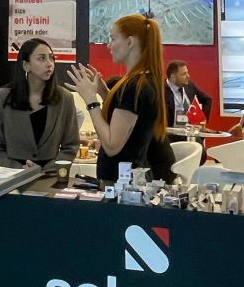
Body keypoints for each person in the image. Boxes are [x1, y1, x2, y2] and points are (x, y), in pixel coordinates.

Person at [68, 13, 172, 185]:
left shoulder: (135, 86)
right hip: (127, 179)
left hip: (121, 183)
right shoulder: (143, 81)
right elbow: (129, 116)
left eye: (113, 39)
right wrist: (105, 93)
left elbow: (111, 146)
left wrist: (90, 100)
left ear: (130, 42)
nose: (109, 45)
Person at [0, 38, 80, 169]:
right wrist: (17, 168)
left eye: (51, 58)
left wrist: (47, 169)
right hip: (12, 174)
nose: (49, 64)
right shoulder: (3, 97)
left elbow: (70, 146)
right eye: (42, 58)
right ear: (26, 65)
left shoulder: (64, 98)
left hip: (50, 174)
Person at [164, 60, 214, 128]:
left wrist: (203, 119)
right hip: (168, 131)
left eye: (187, 73)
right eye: (184, 74)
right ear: (173, 77)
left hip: (188, 131)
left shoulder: (189, 86)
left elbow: (207, 100)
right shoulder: (161, 90)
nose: (188, 76)